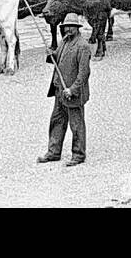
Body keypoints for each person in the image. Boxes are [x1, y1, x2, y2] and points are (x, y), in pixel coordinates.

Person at [38, 13, 92, 166]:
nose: (68, 29)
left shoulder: (83, 46)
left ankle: (78, 155)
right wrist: (50, 55)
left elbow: (84, 73)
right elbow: (57, 58)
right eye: (66, 26)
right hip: (59, 90)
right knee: (57, 121)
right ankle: (54, 152)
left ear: (77, 28)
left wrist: (73, 90)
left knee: (76, 124)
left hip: (72, 93)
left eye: (71, 27)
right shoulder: (64, 41)